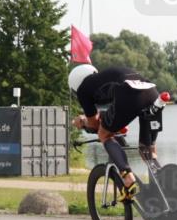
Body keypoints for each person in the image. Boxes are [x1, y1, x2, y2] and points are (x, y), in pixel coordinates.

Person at [69, 64, 162, 199]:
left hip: (129, 93)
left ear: (75, 85)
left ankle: (128, 178)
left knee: (104, 134)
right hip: (152, 93)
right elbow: (116, 109)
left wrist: (82, 121)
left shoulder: (83, 90)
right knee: (147, 150)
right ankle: (162, 187)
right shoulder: (102, 78)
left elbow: (94, 124)